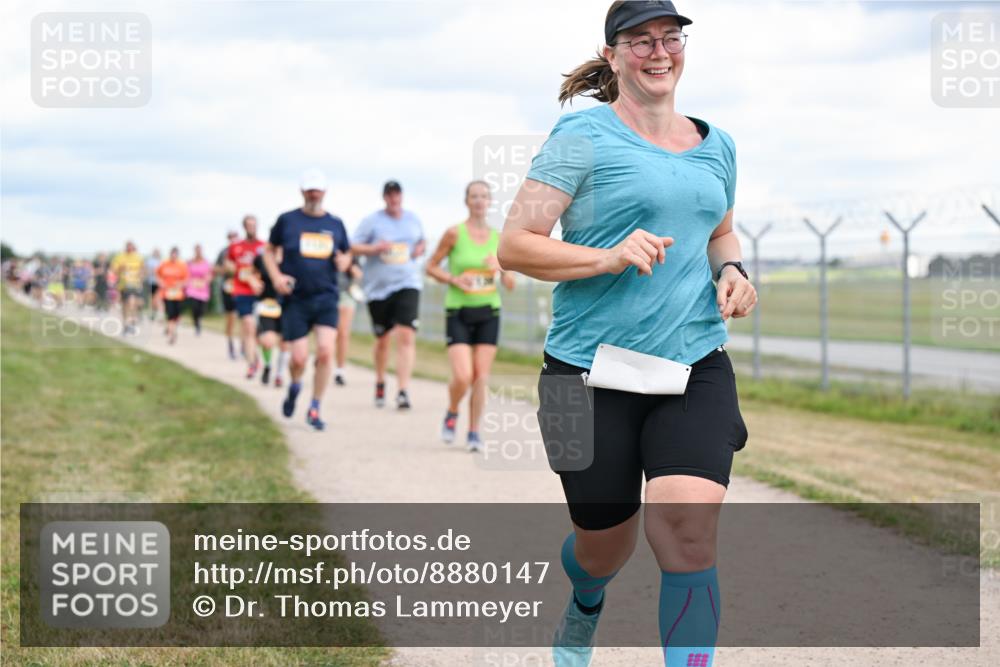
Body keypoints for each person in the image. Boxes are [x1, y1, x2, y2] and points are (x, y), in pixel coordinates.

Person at [497, 3, 756, 666]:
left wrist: (732, 271)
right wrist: (608, 256)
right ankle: (584, 602)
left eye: (670, 36)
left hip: (692, 364)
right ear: (613, 56)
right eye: (640, 40)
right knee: (601, 547)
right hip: (582, 375)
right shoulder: (581, 136)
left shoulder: (717, 143)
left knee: (689, 534)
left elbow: (719, 230)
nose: (658, 50)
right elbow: (516, 246)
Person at [426, 180, 515, 452]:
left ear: (490, 202)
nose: (479, 201)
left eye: (484, 196)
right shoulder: (454, 233)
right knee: (463, 376)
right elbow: (430, 266)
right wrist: (454, 279)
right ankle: (453, 410)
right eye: (474, 196)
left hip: (489, 311)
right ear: (467, 201)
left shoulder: (499, 238)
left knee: (480, 376)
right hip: (459, 311)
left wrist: (500, 268)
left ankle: (474, 432)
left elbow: (510, 283)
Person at [263, 169, 351, 430]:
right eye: (310, 189)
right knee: (299, 358)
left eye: (318, 190)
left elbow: (347, 255)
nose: (314, 194)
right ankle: (295, 386)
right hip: (296, 298)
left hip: (326, 296)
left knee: (325, 352)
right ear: (302, 191)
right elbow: (268, 251)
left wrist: (345, 261)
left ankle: (315, 407)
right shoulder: (287, 221)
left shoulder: (335, 224)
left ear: (325, 192)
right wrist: (276, 276)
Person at [351, 180, 426, 409]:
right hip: (378, 289)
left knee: (406, 335)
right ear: (384, 198)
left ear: (401, 197)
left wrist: (420, 248)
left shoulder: (413, 219)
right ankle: (380, 380)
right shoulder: (372, 222)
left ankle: (403, 390)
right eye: (390, 196)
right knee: (382, 339)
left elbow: (421, 242)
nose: (394, 199)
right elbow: (353, 247)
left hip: (408, 282)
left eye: (397, 195)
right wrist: (374, 249)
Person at [227, 217, 265, 379]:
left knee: (260, 331)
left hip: (261, 293)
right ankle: (252, 364)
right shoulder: (236, 248)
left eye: (254, 225)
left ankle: (260, 359)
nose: (252, 228)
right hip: (242, 291)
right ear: (244, 227)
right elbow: (229, 265)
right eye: (249, 225)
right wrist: (243, 275)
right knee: (248, 325)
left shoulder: (263, 247)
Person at [253, 247, 283, 385]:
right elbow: (252, 274)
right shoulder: (261, 259)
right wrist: (254, 282)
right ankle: (268, 364)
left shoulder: (292, 257)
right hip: (266, 304)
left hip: (286, 304)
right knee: (266, 341)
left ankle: (279, 374)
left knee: (285, 342)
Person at [333, 258, 363, 386]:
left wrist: (348, 264)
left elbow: (358, 273)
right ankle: (322, 358)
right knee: (330, 333)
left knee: (343, 333)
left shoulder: (351, 253)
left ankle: (340, 370)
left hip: (346, 294)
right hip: (328, 293)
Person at [215, 230, 240, 359]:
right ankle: (231, 345)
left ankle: (244, 345)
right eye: (230, 237)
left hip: (242, 288)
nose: (232, 239)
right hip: (228, 288)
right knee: (231, 318)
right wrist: (225, 268)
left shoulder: (242, 249)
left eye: (234, 236)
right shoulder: (223, 252)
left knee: (245, 319)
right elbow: (216, 269)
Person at [156, 247, 189, 345]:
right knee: (170, 314)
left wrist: (181, 284)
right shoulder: (164, 264)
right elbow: (157, 275)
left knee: (177, 315)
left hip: (178, 294)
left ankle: (171, 329)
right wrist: (161, 282)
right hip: (167, 293)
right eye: (172, 254)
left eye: (175, 254)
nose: (173, 256)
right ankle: (172, 334)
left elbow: (186, 279)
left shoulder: (182, 265)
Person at [111, 240, 145, 335]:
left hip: (135, 284)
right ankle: (126, 324)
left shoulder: (138, 257)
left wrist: (141, 275)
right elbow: (114, 270)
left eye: (132, 247)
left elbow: (143, 268)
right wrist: (120, 268)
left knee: (134, 303)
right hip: (124, 285)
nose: (130, 249)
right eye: (128, 247)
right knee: (125, 306)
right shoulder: (120, 257)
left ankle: (132, 322)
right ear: (126, 248)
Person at [185, 244, 212, 335]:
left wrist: (205, 281)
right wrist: (191, 282)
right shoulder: (190, 262)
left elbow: (209, 274)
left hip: (203, 287)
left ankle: (199, 319)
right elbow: (186, 274)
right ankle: (196, 323)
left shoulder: (206, 262)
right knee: (195, 306)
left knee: (202, 308)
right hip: (192, 287)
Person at [144, 248, 163, 321]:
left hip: (158, 283)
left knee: (157, 298)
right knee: (152, 299)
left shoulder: (161, 261)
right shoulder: (150, 261)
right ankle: (153, 313)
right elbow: (146, 270)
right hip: (151, 282)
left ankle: (158, 313)